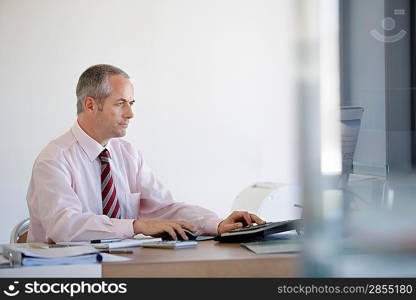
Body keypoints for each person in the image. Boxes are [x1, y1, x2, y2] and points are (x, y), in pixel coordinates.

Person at [26, 64, 265, 243]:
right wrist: (136, 226)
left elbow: (166, 208)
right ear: (90, 105)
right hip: (66, 277)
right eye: (121, 103)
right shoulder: (54, 159)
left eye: (132, 103)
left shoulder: (128, 155)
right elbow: (64, 226)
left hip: (122, 270)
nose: (130, 114)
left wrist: (218, 223)